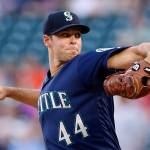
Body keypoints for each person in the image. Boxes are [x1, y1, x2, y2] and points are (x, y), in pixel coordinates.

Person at [0, 10, 150, 150]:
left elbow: (140, 50)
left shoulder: (84, 64)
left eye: (77, 35)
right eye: (65, 35)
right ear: (47, 40)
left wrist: (148, 62)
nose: (73, 41)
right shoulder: (50, 82)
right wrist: (9, 91)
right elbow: (48, 100)